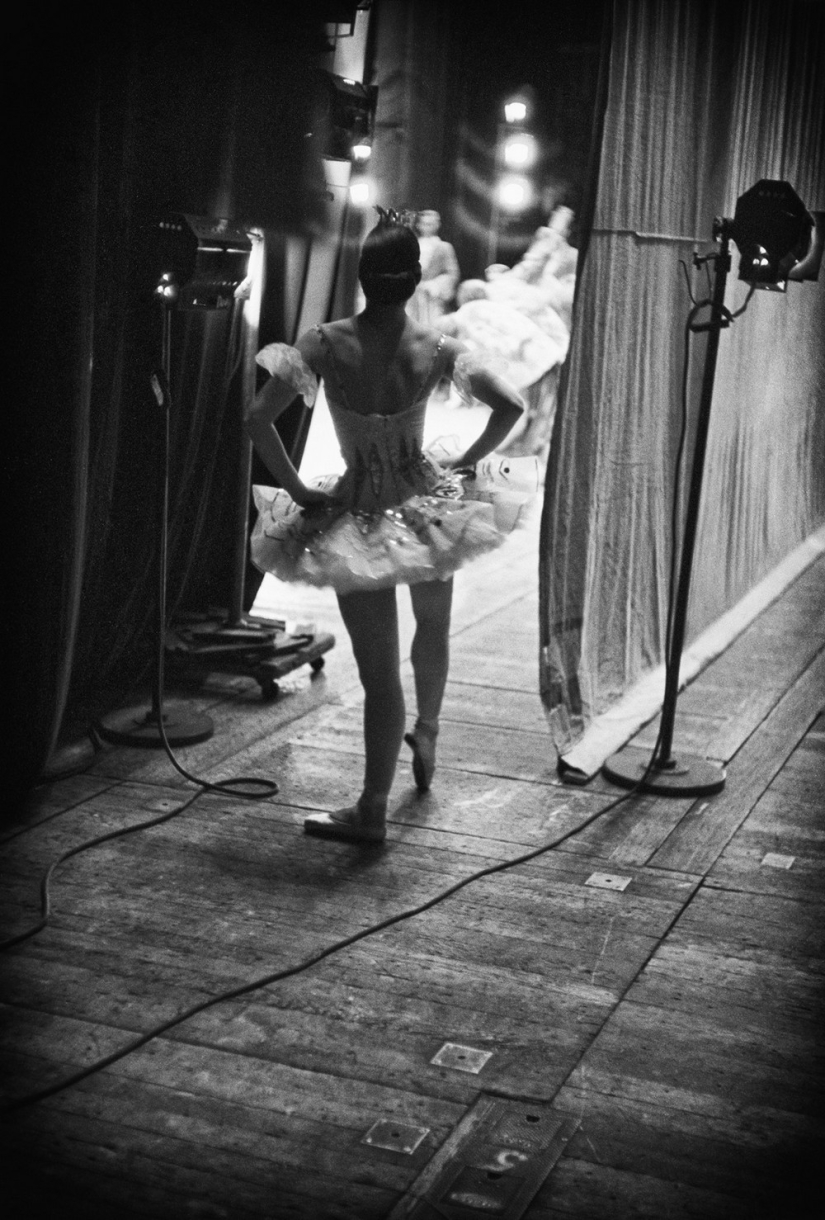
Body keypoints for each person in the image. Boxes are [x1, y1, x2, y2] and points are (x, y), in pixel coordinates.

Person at [245, 209, 528, 844]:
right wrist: (469, 460)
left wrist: (296, 491)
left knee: (378, 678)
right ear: (417, 278)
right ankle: (427, 731)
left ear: (364, 276)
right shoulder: (436, 347)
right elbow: (513, 404)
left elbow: (257, 420)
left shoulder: (323, 343)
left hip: (357, 517)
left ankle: (373, 806)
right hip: (428, 507)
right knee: (433, 627)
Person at [406, 209, 460, 325]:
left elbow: (452, 273)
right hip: (412, 296)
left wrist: (434, 285)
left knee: (432, 327)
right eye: (424, 224)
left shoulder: (444, 247)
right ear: (419, 225)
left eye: (430, 224)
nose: (427, 227)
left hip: (431, 299)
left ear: (437, 225)